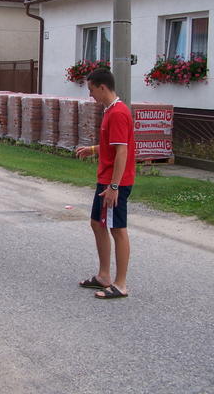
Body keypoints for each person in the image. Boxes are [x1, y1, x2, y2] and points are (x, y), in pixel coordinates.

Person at [75, 67, 135, 299]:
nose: (90, 95)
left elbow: (122, 152)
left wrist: (114, 186)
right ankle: (103, 276)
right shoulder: (110, 110)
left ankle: (120, 284)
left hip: (114, 181)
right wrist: (92, 149)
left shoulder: (118, 113)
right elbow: (112, 145)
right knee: (97, 224)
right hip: (106, 179)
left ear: (102, 87)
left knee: (117, 229)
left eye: (91, 90)